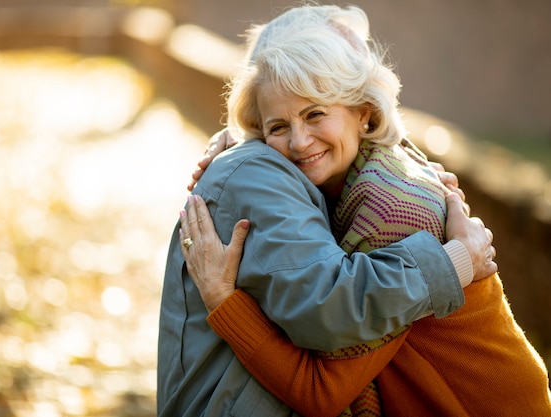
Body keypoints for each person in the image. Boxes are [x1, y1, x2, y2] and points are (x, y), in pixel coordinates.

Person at [179, 4, 551, 417]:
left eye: (315, 113)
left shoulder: (388, 211)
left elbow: (318, 392)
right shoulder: (350, 166)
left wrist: (222, 302)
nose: (300, 142)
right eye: (278, 127)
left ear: (364, 112)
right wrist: (234, 141)